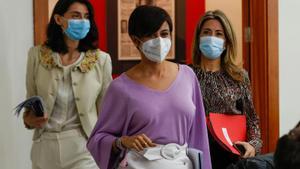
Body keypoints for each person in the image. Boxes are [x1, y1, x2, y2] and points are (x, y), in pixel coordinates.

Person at [87, 5, 212, 169]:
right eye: (152, 36)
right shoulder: (121, 88)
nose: (159, 41)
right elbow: (98, 139)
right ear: (135, 40)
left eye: (164, 34)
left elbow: (199, 135)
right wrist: (122, 141)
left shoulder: (188, 76)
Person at [23, 0, 112, 169]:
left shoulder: (101, 60)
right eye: (76, 16)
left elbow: (106, 114)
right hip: (44, 147)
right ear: (58, 19)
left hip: (83, 148)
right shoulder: (36, 56)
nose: (83, 22)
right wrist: (29, 120)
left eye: (86, 17)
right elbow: (29, 107)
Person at [190, 10, 262, 169]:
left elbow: (252, 119)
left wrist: (253, 145)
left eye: (219, 34)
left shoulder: (239, 76)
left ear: (227, 41)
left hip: (232, 155)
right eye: (207, 32)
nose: (212, 37)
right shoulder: (186, 75)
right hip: (195, 154)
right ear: (198, 38)